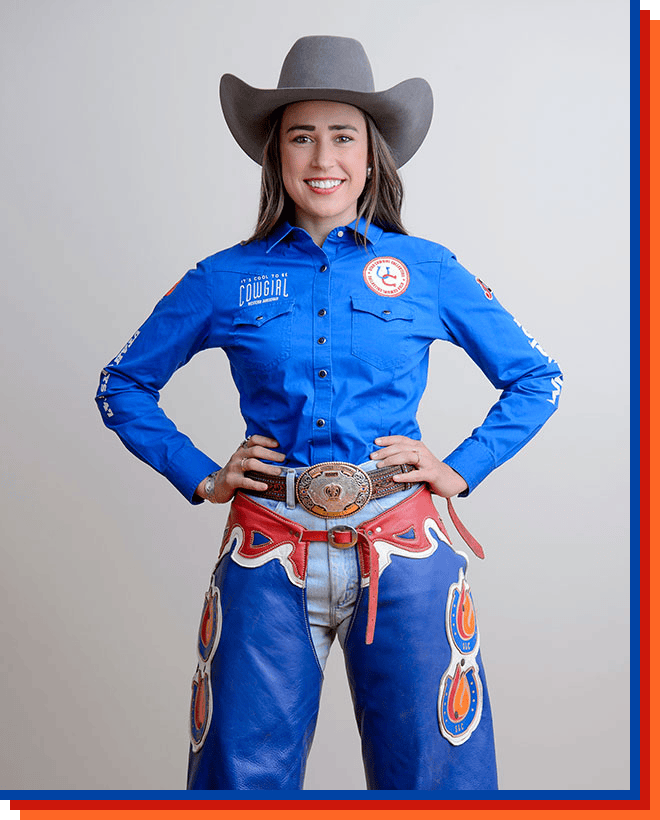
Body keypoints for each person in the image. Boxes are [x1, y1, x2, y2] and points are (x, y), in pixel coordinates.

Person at [96, 35, 562, 791]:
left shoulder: (428, 269)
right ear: (275, 155)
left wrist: (459, 467)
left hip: (404, 547)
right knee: (238, 784)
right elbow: (121, 385)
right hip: (266, 550)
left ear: (372, 155)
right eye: (300, 136)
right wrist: (205, 477)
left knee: (436, 785)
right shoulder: (223, 277)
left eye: (343, 136)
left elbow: (538, 379)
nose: (322, 158)